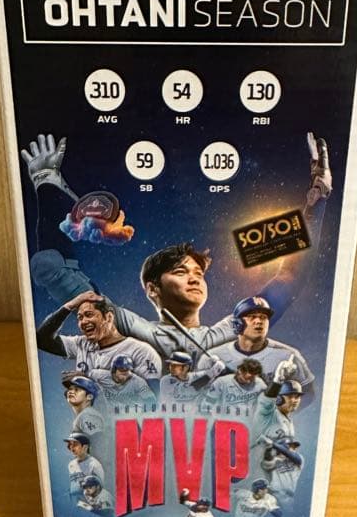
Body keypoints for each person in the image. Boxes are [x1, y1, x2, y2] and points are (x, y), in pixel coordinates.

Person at [23, 132, 333, 363]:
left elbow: (290, 277)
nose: (195, 277)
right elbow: (52, 269)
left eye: (198, 272)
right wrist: (46, 183)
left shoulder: (227, 332)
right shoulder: (132, 329)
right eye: (181, 272)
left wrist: (317, 200)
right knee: (47, 266)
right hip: (134, 429)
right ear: (152, 288)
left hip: (218, 430)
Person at [36, 291, 162, 386]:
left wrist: (90, 377)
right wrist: (70, 305)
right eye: (80, 318)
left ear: (108, 317)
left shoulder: (142, 351)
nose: (83, 322)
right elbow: (41, 339)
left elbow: (152, 399)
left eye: (89, 315)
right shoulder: (81, 344)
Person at [206, 296, 315, 403]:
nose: (259, 321)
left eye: (263, 317)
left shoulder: (289, 356)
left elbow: (309, 394)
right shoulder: (213, 356)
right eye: (252, 316)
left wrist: (282, 411)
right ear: (237, 324)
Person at [62, 374, 106, 441]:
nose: (70, 392)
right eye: (70, 389)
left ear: (89, 397)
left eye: (76, 390)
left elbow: (98, 441)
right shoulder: (84, 415)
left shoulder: (88, 415)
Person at [64, 432, 105, 499]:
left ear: (85, 447)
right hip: (75, 501)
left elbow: (100, 489)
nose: (72, 447)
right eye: (70, 444)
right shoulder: (71, 464)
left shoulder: (94, 464)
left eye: (75, 444)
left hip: (89, 502)